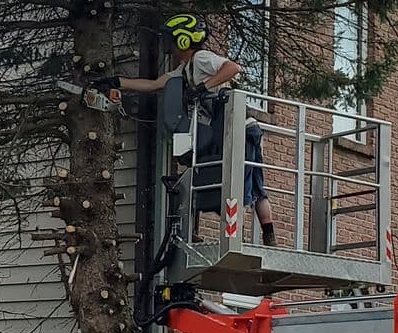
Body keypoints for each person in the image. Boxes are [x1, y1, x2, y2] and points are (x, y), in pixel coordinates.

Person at [110, 13, 276, 244]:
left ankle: (242, 238)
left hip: (238, 130)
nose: (168, 46)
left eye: (171, 40)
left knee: (236, 183)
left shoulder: (201, 59)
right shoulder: (184, 69)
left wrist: (203, 87)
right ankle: (267, 237)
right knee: (251, 184)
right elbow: (155, 84)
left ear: (184, 40)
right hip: (232, 129)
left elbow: (232, 67)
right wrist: (117, 82)